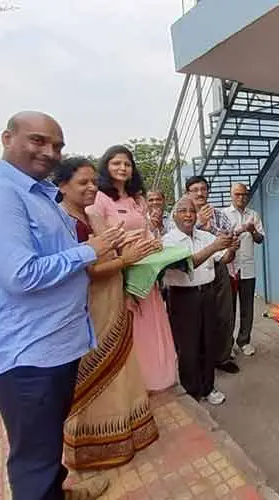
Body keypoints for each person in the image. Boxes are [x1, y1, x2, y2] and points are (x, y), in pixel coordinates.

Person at [0, 111, 122, 500]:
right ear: (7, 138)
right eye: (38, 141)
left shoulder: (37, 194)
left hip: (50, 346)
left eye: (57, 146)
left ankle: (56, 492)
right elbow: (21, 275)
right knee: (34, 460)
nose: (50, 152)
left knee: (45, 446)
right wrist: (90, 250)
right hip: (25, 353)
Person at [54, 157, 161, 470]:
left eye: (93, 181)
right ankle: (95, 445)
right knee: (95, 370)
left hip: (113, 298)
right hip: (90, 306)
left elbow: (112, 249)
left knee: (120, 365)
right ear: (62, 186)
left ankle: (127, 432)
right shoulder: (63, 222)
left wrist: (134, 250)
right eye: (83, 183)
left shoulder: (89, 215)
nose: (91, 187)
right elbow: (86, 271)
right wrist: (126, 260)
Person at [89, 145, 177, 392]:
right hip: (120, 271)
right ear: (106, 166)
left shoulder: (138, 199)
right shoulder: (100, 199)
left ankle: (157, 378)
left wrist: (154, 242)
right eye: (116, 163)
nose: (122, 168)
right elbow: (101, 238)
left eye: (127, 164)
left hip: (146, 272)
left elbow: (147, 231)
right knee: (132, 326)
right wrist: (124, 249)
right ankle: (135, 386)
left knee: (152, 324)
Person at [162, 196, 238, 405]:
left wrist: (232, 247)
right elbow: (186, 265)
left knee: (208, 342)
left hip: (208, 293)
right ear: (174, 216)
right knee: (188, 347)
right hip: (183, 297)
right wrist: (215, 247)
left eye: (192, 211)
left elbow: (224, 258)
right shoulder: (168, 241)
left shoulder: (205, 236)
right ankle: (192, 391)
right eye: (183, 211)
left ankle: (208, 387)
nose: (188, 215)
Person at [184, 175, 240, 374]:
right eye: (195, 190)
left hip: (218, 268)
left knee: (224, 315)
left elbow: (228, 240)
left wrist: (232, 245)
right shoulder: (181, 214)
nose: (200, 193)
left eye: (203, 189)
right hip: (192, 271)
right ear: (187, 193)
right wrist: (198, 223)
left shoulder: (219, 215)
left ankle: (222, 357)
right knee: (198, 319)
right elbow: (176, 240)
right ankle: (201, 360)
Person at [223, 183, 265, 357]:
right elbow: (221, 239)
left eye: (244, 194)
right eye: (237, 194)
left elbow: (260, 239)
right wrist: (239, 230)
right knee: (229, 309)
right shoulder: (223, 215)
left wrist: (252, 230)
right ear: (231, 195)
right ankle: (228, 344)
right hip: (229, 269)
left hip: (248, 269)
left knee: (247, 308)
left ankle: (244, 341)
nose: (241, 197)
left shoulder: (253, 215)